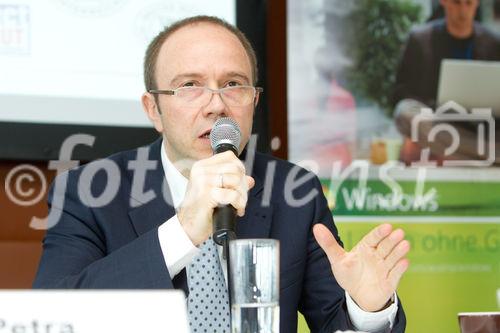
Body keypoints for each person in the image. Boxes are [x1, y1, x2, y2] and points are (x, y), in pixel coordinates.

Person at [33, 16, 409, 332]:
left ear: (254, 100)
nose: (216, 105)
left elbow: (333, 323)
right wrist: (181, 233)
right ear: (153, 109)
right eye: (189, 85)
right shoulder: (88, 191)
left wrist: (368, 309)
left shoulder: (295, 191)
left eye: (233, 84)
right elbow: (54, 318)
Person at [393, 0, 500, 165]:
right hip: (438, 124)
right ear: (444, 2)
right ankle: (488, 156)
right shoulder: (420, 40)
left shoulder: (494, 43)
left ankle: (452, 154)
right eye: (457, 3)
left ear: (477, 3)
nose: (463, 11)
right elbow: (401, 93)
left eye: (468, 3)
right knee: (404, 112)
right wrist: (435, 105)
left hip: (480, 129)